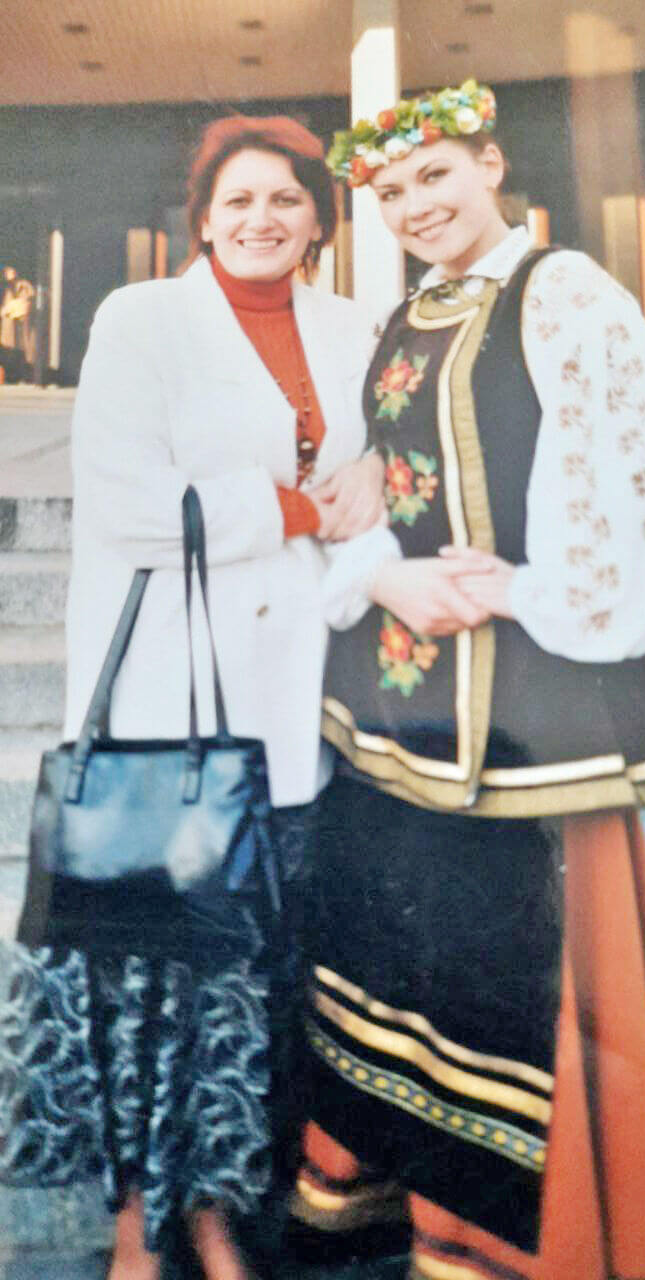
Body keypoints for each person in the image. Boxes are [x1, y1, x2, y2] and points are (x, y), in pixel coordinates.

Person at [291, 82, 645, 1280]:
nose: (415, 205)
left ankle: (551, 1234)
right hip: (402, 695)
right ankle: (420, 1207)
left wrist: (535, 589)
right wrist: (383, 566)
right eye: (390, 192)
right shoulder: (403, 315)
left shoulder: (564, 289)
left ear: (490, 163)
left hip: (534, 702)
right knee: (411, 960)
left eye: (435, 174)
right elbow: (380, 484)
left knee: (531, 972)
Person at [0, 115, 389, 1280]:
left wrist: (374, 477)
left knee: (252, 982)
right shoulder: (142, 319)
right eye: (238, 200)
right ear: (205, 216)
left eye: (286, 199)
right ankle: (139, 1222)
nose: (261, 218)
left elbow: (393, 464)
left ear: (320, 219)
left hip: (297, 696)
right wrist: (303, 504)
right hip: (165, 704)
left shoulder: (354, 327)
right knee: (145, 980)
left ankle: (222, 1212)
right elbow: (128, 501)